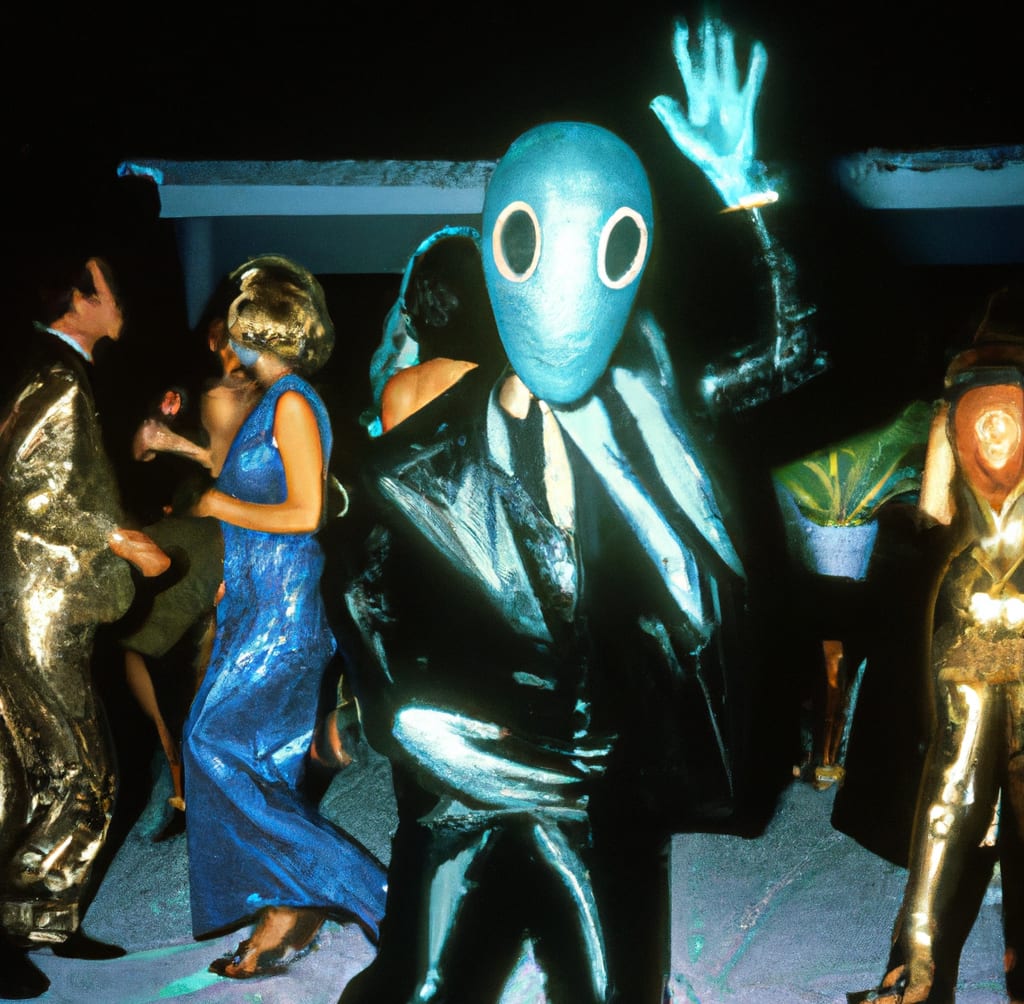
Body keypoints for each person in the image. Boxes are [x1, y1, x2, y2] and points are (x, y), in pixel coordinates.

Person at [181, 254, 387, 980]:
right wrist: (227, 579)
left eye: (234, 324)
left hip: (283, 611)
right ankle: (288, 914)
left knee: (210, 744)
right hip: (253, 602)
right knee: (260, 762)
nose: (225, 337)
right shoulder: (272, 402)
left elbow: (305, 513)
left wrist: (217, 503)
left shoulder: (294, 403)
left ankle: (381, 898)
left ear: (255, 329)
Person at [0, 250, 170, 999]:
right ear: (76, 300)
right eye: (108, 286)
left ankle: (40, 920)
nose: (120, 298)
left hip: (34, 594)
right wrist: (121, 538)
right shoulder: (60, 376)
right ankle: (24, 923)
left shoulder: (52, 368)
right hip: (40, 600)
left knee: (40, 762)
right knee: (72, 765)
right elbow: (35, 491)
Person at [855, 284, 1024, 1003]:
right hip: (997, 610)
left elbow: (931, 511)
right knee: (974, 790)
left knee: (949, 792)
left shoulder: (955, 396)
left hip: (967, 606)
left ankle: (913, 973)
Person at [120, 276, 262, 825]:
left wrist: (170, 443)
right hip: (187, 520)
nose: (228, 343)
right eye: (223, 332)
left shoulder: (247, 390)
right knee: (135, 633)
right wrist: (150, 443)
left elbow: (231, 472)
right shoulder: (192, 383)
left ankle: (197, 773)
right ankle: (180, 767)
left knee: (178, 633)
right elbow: (139, 449)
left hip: (231, 524)